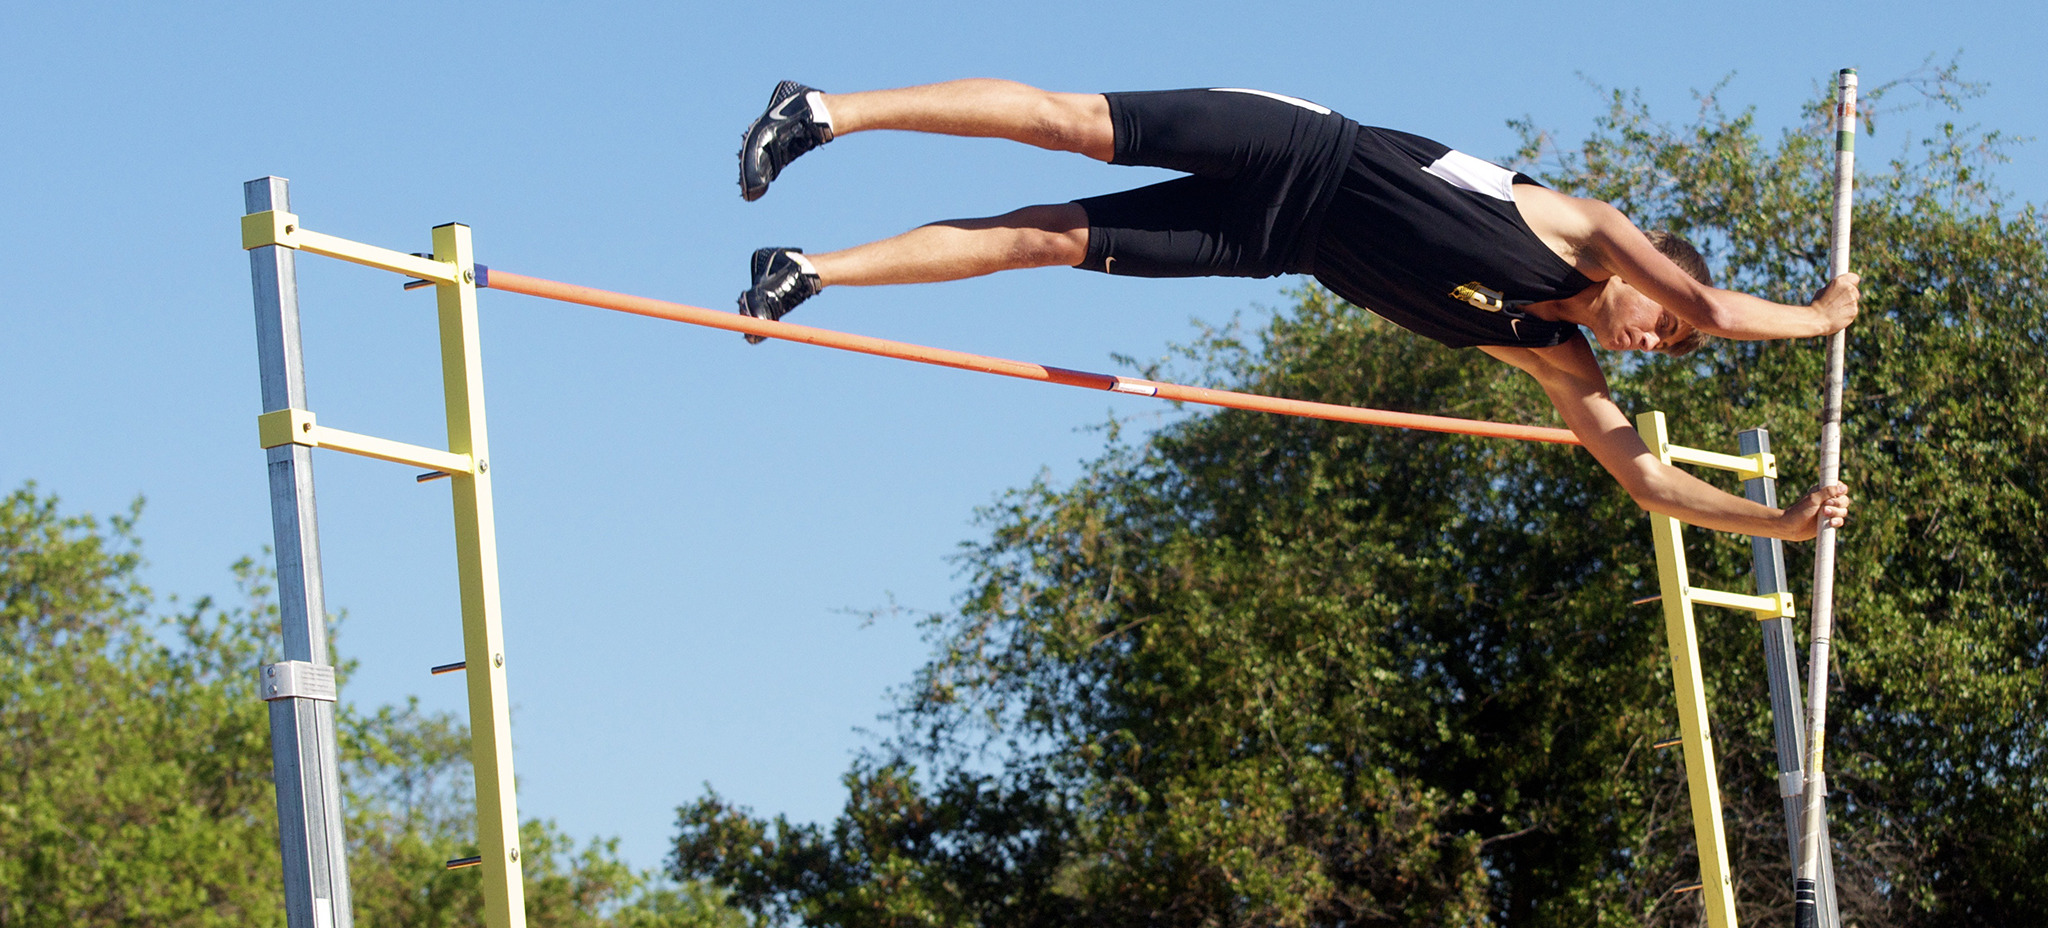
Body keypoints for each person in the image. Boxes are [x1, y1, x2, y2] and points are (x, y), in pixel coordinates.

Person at [732, 79, 1856, 542]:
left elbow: (1646, 480)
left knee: (1041, 240)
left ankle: (809, 271)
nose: (1651, 337)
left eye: (1665, 346)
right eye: (1660, 320)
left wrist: (1781, 525)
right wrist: (1818, 316)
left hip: (1276, 243)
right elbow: (1707, 299)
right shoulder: (1582, 224)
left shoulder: (1549, 352)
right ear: (1647, 271)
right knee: (1064, 124)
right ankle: (825, 111)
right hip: (1300, 147)